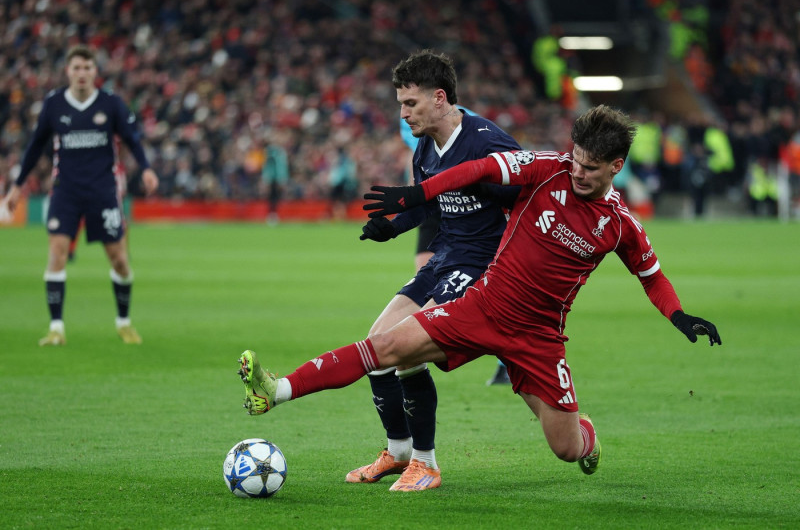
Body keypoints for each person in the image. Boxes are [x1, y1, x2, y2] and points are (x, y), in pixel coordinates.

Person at [236, 104, 721, 487]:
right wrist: (417, 196)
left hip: (538, 338)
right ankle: (276, 391)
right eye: (575, 159)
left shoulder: (620, 225)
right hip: (481, 307)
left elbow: (651, 276)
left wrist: (678, 315)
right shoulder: (546, 168)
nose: (578, 172)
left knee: (567, 449)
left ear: (616, 166)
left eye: (591, 168)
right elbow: (477, 170)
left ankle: (586, 436)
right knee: (382, 348)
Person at [254, 49, 520, 492]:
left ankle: (427, 463)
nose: (403, 113)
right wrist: (392, 228)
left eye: (410, 104)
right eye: (400, 103)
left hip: (482, 268)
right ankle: (398, 453)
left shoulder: (487, 142)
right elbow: (428, 203)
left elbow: (529, 200)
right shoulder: (425, 147)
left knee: (403, 348)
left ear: (440, 98)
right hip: (444, 259)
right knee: (379, 346)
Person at [1, 45, 158, 346]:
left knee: (120, 260)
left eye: (87, 67)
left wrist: (147, 168)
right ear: (68, 71)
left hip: (103, 191)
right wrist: (17, 186)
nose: (82, 73)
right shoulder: (54, 104)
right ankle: (56, 328)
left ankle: (123, 322)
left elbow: (132, 139)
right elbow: (35, 147)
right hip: (66, 191)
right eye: (77, 68)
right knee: (57, 253)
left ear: (95, 72)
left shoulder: (111, 103)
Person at [400, 105, 511, 386]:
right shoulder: (412, 128)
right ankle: (436, 328)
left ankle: (500, 351)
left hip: (461, 197)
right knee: (425, 273)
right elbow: (416, 158)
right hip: (434, 199)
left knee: (439, 302)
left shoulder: (470, 127)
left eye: (410, 102)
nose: (405, 112)